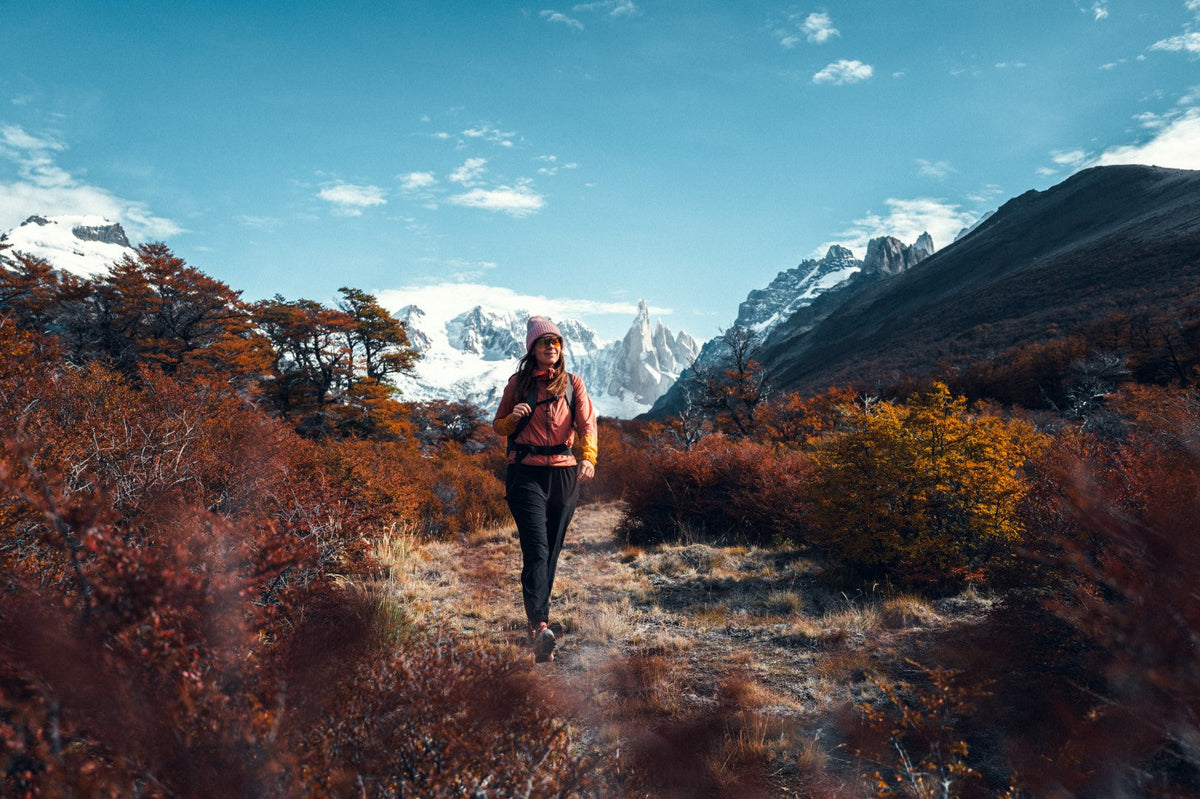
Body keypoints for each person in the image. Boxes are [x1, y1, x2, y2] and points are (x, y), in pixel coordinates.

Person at [493, 316, 597, 663]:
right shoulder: (518, 384)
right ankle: (539, 627)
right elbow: (498, 424)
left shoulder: (573, 385)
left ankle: (538, 630)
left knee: (550, 551)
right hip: (525, 474)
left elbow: (586, 425)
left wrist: (589, 458)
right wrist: (513, 419)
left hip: (565, 476)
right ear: (532, 349)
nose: (551, 347)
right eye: (543, 343)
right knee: (536, 548)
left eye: (555, 342)